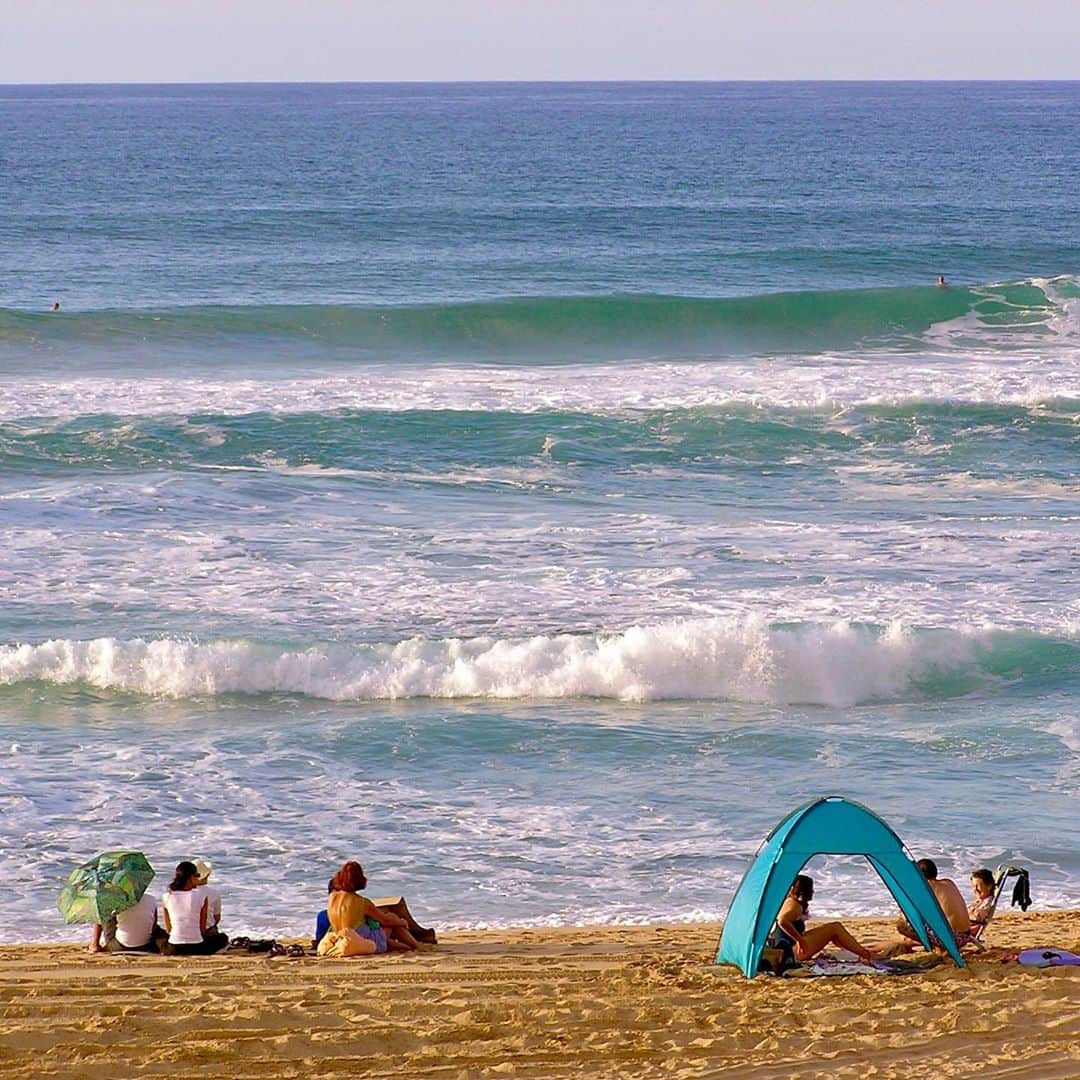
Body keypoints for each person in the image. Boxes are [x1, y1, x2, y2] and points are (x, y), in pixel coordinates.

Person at [772, 874, 877, 964]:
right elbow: (782, 921)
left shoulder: (790, 902)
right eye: (811, 889)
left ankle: (859, 952)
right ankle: (867, 955)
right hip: (790, 953)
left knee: (835, 934)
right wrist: (800, 940)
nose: (813, 892)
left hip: (786, 950)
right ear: (805, 890)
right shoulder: (795, 905)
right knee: (835, 928)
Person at [327, 861, 421, 953]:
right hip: (359, 939)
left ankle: (407, 947)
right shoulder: (362, 902)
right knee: (392, 920)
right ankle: (416, 946)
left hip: (339, 937)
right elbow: (385, 921)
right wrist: (402, 922)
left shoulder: (332, 897)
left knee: (382, 928)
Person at [896, 858, 974, 949]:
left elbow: (908, 914)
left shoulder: (927, 888)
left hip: (952, 940)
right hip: (966, 935)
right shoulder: (949, 882)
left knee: (902, 925)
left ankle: (934, 947)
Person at [159, 861, 228, 956]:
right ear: (191, 878)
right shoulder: (202, 896)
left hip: (174, 948)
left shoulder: (166, 896)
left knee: (160, 938)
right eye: (196, 875)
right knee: (223, 938)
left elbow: (169, 929)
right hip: (196, 947)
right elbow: (202, 929)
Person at [88, 890, 164, 954]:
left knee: (104, 911)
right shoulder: (151, 899)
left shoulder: (115, 899)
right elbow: (153, 925)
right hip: (146, 945)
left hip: (120, 946)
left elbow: (101, 918)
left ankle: (95, 944)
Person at [192, 858, 222, 936]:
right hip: (207, 932)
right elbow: (217, 918)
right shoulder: (214, 893)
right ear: (207, 875)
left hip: (187, 931)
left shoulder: (182, 893)